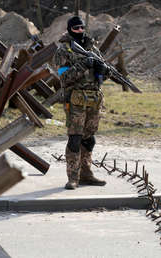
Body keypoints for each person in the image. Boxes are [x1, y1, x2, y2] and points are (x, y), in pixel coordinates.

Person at [53, 16, 110, 190]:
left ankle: (86, 174)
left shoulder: (92, 48)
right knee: (75, 139)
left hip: (93, 100)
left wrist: (104, 71)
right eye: (76, 28)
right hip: (75, 100)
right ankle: (73, 177)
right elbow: (64, 77)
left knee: (89, 139)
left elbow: (103, 76)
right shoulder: (63, 51)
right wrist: (84, 65)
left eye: (82, 28)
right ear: (70, 29)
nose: (80, 31)